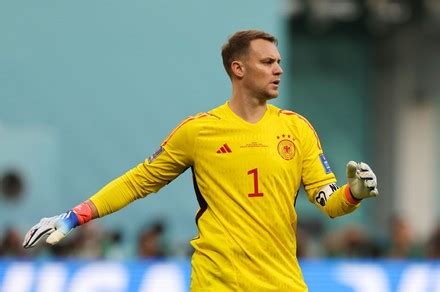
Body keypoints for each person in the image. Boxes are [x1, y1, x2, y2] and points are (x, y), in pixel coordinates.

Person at [23, 30, 379, 291]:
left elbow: (329, 203)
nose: (278, 70)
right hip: (216, 282)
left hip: (281, 282)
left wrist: (354, 194)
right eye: (268, 62)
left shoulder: (296, 129)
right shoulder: (199, 132)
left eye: (279, 62)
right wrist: (74, 216)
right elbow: (138, 181)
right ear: (238, 69)